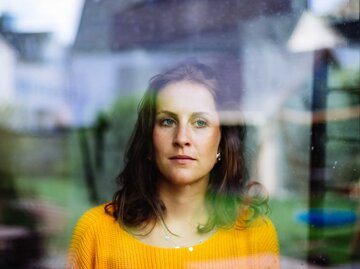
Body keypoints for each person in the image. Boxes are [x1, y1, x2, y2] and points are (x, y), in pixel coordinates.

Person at [66, 61, 280, 269]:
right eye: (167, 121)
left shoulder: (255, 235)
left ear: (222, 143)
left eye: (200, 123)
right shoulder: (95, 232)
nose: (182, 138)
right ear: (149, 139)